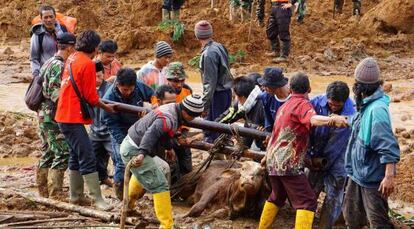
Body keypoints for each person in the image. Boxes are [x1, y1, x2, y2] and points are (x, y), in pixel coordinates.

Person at [259, 73, 348, 229]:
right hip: (288, 163)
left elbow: (275, 133)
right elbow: (313, 120)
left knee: (277, 196)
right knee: (308, 202)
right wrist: (333, 120)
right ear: (309, 89)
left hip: (273, 161)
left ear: (290, 89)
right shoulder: (303, 104)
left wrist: (267, 157)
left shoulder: (283, 106)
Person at [121, 94, 204, 229]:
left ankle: (128, 207)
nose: (192, 120)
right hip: (135, 149)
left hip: (133, 144)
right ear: (185, 112)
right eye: (193, 116)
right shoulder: (168, 118)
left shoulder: (173, 109)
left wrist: (173, 144)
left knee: (160, 168)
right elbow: (151, 134)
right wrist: (142, 154)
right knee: (160, 185)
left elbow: (163, 137)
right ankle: (167, 225)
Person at [55, 30, 115, 211]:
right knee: (88, 155)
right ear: (96, 48)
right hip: (72, 116)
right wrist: (107, 108)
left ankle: (76, 196)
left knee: (76, 153)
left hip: (63, 113)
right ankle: (97, 199)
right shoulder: (87, 64)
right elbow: (91, 97)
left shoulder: (72, 58)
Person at [342, 57, 400, 228]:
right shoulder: (367, 104)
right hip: (358, 173)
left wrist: (389, 177)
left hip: (372, 178)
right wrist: (342, 119)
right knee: (351, 217)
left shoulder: (377, 110)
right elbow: (358, 123)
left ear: (361, 87)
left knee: (378, 222)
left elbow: (388, 146)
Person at [307, 81, 356, 228]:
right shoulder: (315, 103)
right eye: (331, 104)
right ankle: (304, 223)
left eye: (338, 105)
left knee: (334, 196)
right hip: (316, 153)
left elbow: (344, 142)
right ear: (327, 97)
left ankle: (325, 225)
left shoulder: (352, 112)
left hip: (339, 158)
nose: (333, 107)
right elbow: (306, 129)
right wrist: (309, 155)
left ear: (345, 101)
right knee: (310, 192)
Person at [103, 68, 153, 200]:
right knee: (121, 160)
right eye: (125, 89)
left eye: (131, 89)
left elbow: (153, 96)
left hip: (137, 128)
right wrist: (123, 140)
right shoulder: (109, 97)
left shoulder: (139, 86)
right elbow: (110, 123)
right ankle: (121, 194)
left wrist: (151, 108)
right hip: (119, 129)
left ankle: (136, 191)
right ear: (117, 84)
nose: (128, 92)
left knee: (141, 158)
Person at [36, 32, 76, 198]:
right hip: (52, 114)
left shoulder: (48, 62)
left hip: (43, 113)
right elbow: (54, 92)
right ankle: (55, 192)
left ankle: (43, 191)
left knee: (48, 151)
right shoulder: (58, 65)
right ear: (71, 47)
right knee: (62, 152)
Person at [194, 20, 233, 143]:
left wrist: (204, 105)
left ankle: (217, 155)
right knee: (223, 124)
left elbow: (209, 83)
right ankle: (221, 150)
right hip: (226, 91)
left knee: (213, 127)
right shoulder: (219, 46)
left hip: (217, 95)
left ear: (197, 35)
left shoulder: (208, 54)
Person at [217, 76, 265, 150]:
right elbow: (226, 117)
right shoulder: (242, 105)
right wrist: (212, 125)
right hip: (250, 134)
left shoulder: (263, 104)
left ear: (241, 97)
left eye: (236, 95)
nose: (236, 98)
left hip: (264, 143)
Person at [89, 61, 114, 187]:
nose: (98, 79)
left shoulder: (110, 89)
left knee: (116, 156)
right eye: (95, 77)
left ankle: (121, 182)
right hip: (94, 131)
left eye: (100, 76)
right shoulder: (87, 89)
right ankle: (102, 178)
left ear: (104, 74)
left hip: (109, 131)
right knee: (94, 158)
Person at [30, 5, 67, 78]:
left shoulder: (63, 31)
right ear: (41, 19)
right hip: (46, 74)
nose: (49, 20)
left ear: (55, 17)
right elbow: (34, 58)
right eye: (45, 17)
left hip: (63, 73)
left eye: (51, 16)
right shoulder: (37, 35)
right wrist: (36, 74)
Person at [257, 67, 291, 132]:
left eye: (266, 86)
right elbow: (268, 120)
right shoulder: (266, 97)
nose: (264, 88)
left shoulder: (294, 97)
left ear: (276, 86)